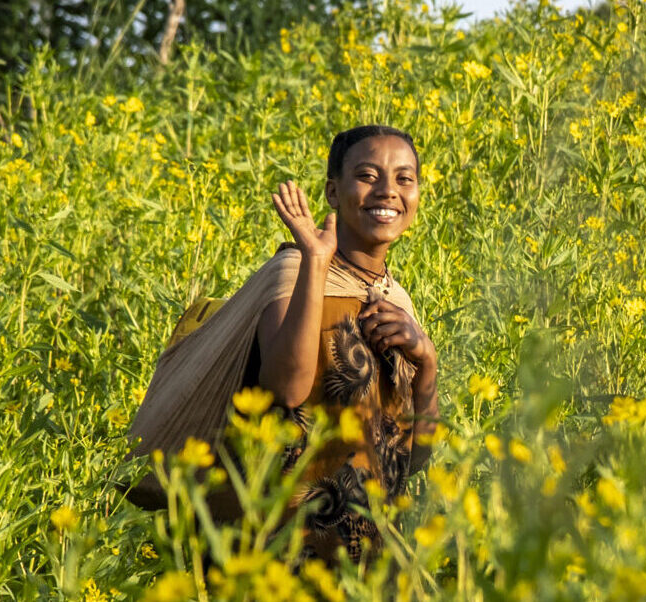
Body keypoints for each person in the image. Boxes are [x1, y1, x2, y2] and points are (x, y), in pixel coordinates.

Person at [123, 125, 439, 565]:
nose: (388, 191)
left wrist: (427, 363)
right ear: (333, 191)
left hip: (364, 560)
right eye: (368, 176)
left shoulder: (397, 301)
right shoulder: (293, 274)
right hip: (276, 549)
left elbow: (414, 456)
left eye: (405, 179)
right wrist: (315, 260)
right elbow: (287, 388)